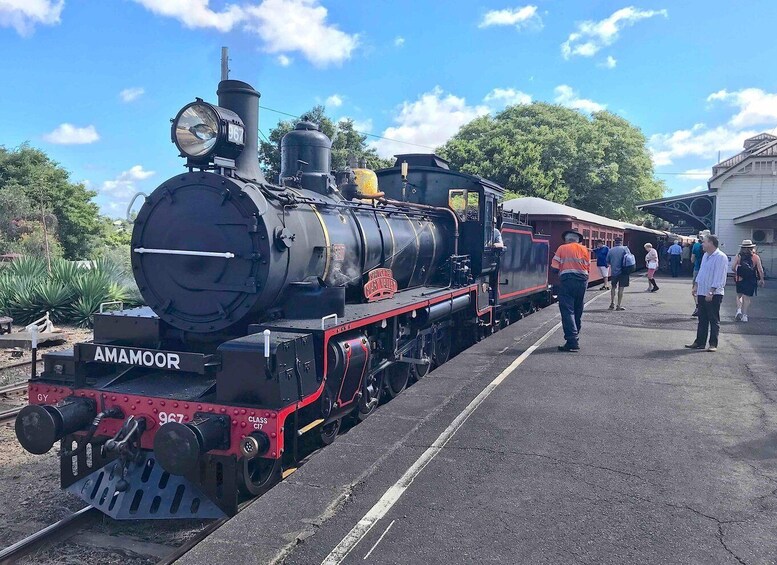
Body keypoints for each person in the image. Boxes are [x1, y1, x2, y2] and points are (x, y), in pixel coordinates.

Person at [685, 234, 728, 352]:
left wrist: (712, 291)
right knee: (702, 318)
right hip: (702, 291)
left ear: (711, 243)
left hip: (714, 293)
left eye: (704, 242)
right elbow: (702, 272)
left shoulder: (721, 257)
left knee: (713, 318)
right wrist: (696, 286)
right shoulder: (705, 256)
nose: (702, 244)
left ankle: (713, 343)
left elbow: (720, 277)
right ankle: (699, 342)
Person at [550, 229, 590, 352]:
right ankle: (575, 337)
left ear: (567, 240)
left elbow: (554, 268)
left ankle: (572, 340)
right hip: (582, 281)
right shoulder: (585, 250)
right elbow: (587, 267)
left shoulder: (562, 248)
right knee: (578, 309)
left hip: (567, 281)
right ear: (577, 240)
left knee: (567, 310)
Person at [731, 239, 765, 322]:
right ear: (752, 247)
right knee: (747, 298)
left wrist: (737, 273)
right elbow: (760, 270)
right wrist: (761, 279)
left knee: (739, 296)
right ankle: (745, 315)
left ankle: (738, 310)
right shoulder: (756, 257)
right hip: (751, 279)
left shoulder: (738, 256)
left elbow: (732, 267)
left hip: (740, 279)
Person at [606, 236, 632, 311]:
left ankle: (612, 304)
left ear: (615, 242)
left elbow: (607, 261)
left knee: (613, 287)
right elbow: (629, 259)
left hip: (614, 272)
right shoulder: (625, 249)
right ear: (621, 242)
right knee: (621, 288)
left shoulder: (611, 250)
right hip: (624, 272)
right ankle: (618, 305)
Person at [690, 234, 706, 317]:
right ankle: (704, 307)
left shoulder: (695, 246)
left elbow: (692, 260)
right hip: (707, 271)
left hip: (697, 269)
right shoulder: (710, 246)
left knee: (695, 289)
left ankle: (697, 306)